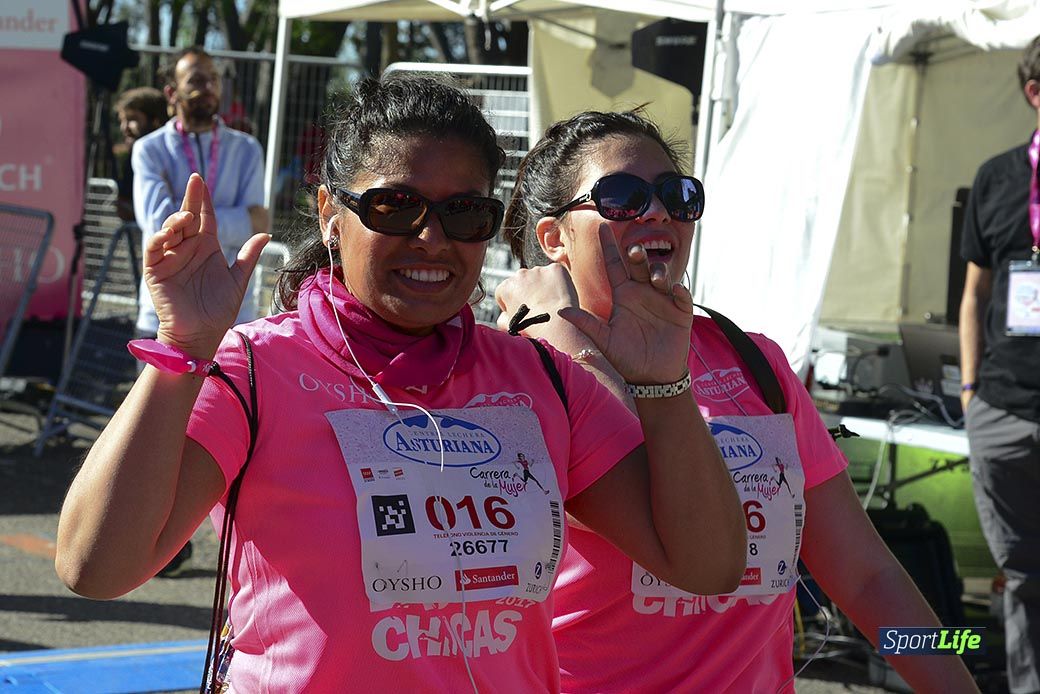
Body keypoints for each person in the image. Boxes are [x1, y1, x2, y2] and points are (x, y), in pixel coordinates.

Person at [54, 76, 746, 692]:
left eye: (464, 213)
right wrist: (179, 352)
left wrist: (665, 383)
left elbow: (706, 566)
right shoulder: (260, 368)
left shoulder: (541, 379)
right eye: (394, 207)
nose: (430, 238)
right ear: (331, 214)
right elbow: (96, 567)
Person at [497, 109, 980, 692]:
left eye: (676, 195)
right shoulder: (523, 373)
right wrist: (560, 335)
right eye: (621, 196)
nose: (656, 212)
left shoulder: (755, 364)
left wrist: (956, 683)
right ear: (554, 238)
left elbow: (868, 578)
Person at [960, 35, 1040, 694]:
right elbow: (974, 294)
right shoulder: (998, 177)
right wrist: (967, 391)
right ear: (1034, 94)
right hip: (1004, 407)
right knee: (1025, 574)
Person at [132, 45, 269, 340]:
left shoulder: (246, 149)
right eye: (195, 80)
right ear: (172, 93)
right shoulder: (149, 149)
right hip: (165, 312)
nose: (207, 87)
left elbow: (259, 226)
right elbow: (159, 225)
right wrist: (239, 220)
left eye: (213, 79)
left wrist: (187, 224)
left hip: (233, 311)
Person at [112, 86, 167, 221]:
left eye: (132, 119)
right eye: (122, 121)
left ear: (155, 120)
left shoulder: (169, 156)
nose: (124, 128)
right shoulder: (134, 154)